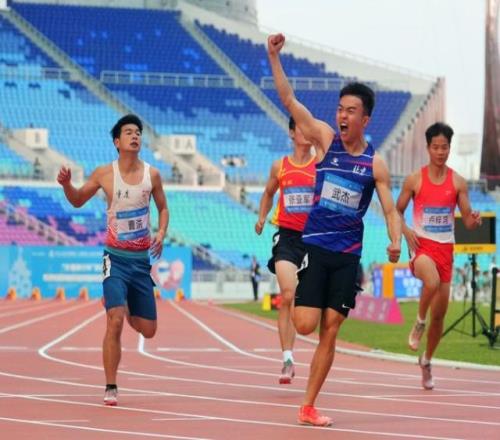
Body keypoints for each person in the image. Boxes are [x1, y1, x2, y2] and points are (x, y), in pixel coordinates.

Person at [268, 33, 401, 427]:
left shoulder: (375, 164)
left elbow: (389, 208)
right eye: (340, 109)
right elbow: (290, 101)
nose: (342, 116)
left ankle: (308, 406)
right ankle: (293, 309)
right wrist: (274, 57)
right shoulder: (326, 140)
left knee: (330, 329)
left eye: (351, 111)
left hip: (346, 257)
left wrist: (395, 240)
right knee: (306, 324)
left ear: (365, 120)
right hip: (315, 248)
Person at [57, 114, 169, 406]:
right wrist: (67, 185)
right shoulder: (104, 174)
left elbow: (163, 208)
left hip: (140, 262)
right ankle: (111, 385)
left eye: (138, 132)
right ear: (117, 142)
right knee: (114, 320)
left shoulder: (153, 175)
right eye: (129, 132)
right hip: (115, 259)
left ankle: (126, 303)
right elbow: (77, 200)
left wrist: (161, 232)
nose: (135, 136)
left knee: (149, 330)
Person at [396, 122, 481, 390]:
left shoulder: (458, 182)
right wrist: (406, 231)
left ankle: (427, 360)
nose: (440, 152)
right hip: (422, 247)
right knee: (430, 281)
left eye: (444, 147)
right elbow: (396, 211)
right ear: (428, 148)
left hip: (446, 250)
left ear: (449, 149)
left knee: (440, 317)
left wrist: (474, 220)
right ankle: (418, 322)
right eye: (436, 147)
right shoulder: (415, 179)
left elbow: (467, 220)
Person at [255, 116, 316, 385]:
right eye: (300, 128)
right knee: (288, 294)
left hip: (314, 240)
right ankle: (288, 359)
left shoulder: (320, 165)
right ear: (291, 133)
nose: (306, 133)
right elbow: (268, 193)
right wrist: (261, 217)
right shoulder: (280, 166)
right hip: (287, 238)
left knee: (307, 304)